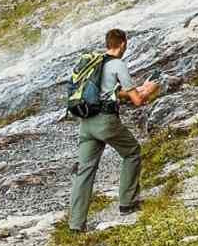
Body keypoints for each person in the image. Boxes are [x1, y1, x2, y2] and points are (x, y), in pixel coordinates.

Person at [66, 28, 157, 233]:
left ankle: (76, 225)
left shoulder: (95, 62)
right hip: (106, 122)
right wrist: (149, 89)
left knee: (84, 171)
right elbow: (137, 101)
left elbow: (109, 91)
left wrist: (128, 92)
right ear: (123, 43)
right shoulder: (118, 64)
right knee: (132, 152)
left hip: (86, 122)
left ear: (108, 43)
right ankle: (128, 203)